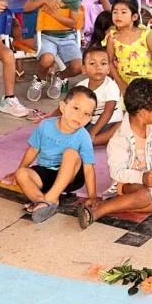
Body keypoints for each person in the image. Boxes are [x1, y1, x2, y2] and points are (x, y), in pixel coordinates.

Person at [79, 79, 152, 227]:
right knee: (144, 196)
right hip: (128, 182)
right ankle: (100, 210)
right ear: (143, 113)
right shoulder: (119, 138)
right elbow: (117, 172)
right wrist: (142, 178)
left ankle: (118, 206)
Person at [12, 86, 99, 223]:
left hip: (71, 177)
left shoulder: (83, 136)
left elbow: (88, 168)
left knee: (70, 153)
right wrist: (19, 169)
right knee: (21, 174)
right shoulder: (45, 126)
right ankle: (41, 201)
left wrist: (92, 195)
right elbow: (33, 150)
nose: (80, 116)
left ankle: (51, 198)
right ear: (63, 107)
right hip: (45, 172)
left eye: (87, 114)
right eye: (76, 109)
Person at [24, 0, 85, 101]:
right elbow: (27, 7)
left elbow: (73, 23)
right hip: (45, 36)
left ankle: (60, 77)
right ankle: (39, 80)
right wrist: (45, 0)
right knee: (46, 60)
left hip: (67, 37)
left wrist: (53, 14)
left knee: (77, 68)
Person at [103, 0, 152, 93]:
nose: (118, 16)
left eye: (123, 12)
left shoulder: (145, 34)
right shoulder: (112, 38)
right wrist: (121, 84)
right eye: (115, 12)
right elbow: (110, 62)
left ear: (134, 17)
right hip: (124, 81)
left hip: (148, 81)